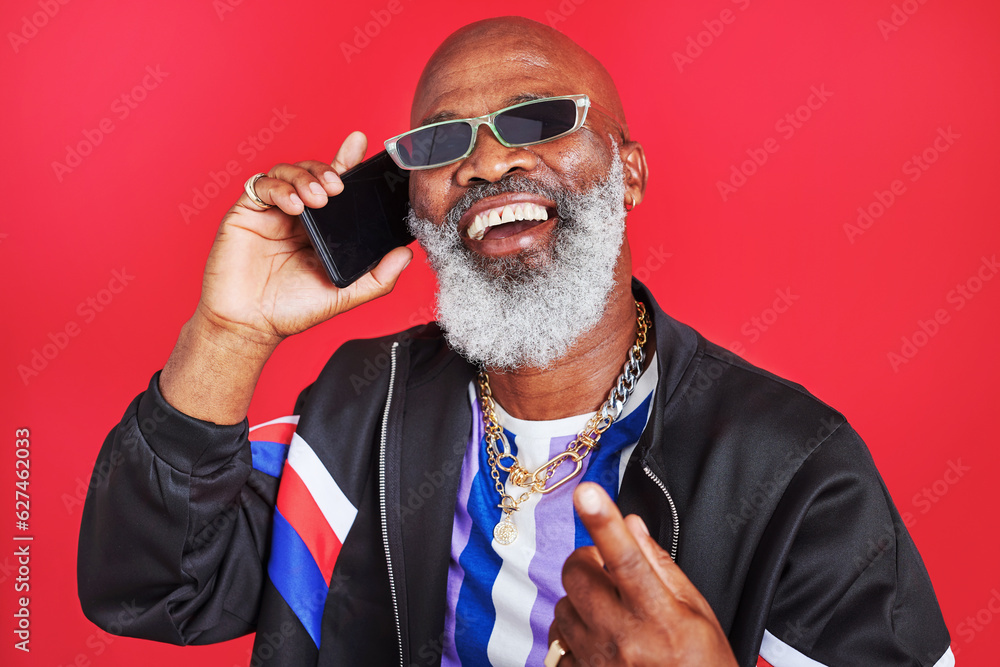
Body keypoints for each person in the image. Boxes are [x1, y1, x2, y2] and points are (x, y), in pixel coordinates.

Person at [77, 16, 954, 667]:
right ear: (412, 204)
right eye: (443, 140)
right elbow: (152, 584)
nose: (489, 164)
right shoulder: (357, 412)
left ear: (630, 171)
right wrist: (231, 332)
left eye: (537, 120)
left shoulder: (795, 469)